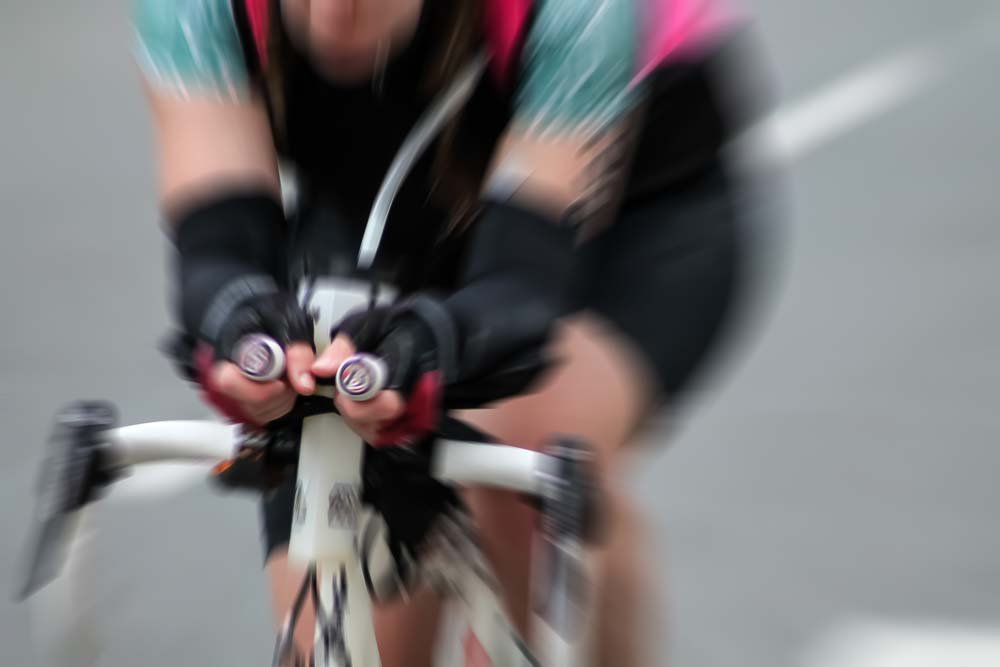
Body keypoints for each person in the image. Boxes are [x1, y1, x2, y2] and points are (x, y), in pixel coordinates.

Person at [133, 0, 768, 663]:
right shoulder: (194, 9)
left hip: (630, 214)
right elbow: (219, 244)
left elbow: (519, 285)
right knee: (340, 599)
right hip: (383, 208)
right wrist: (245, 326)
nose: (333, 15)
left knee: (526, 459)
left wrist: (428, 345)